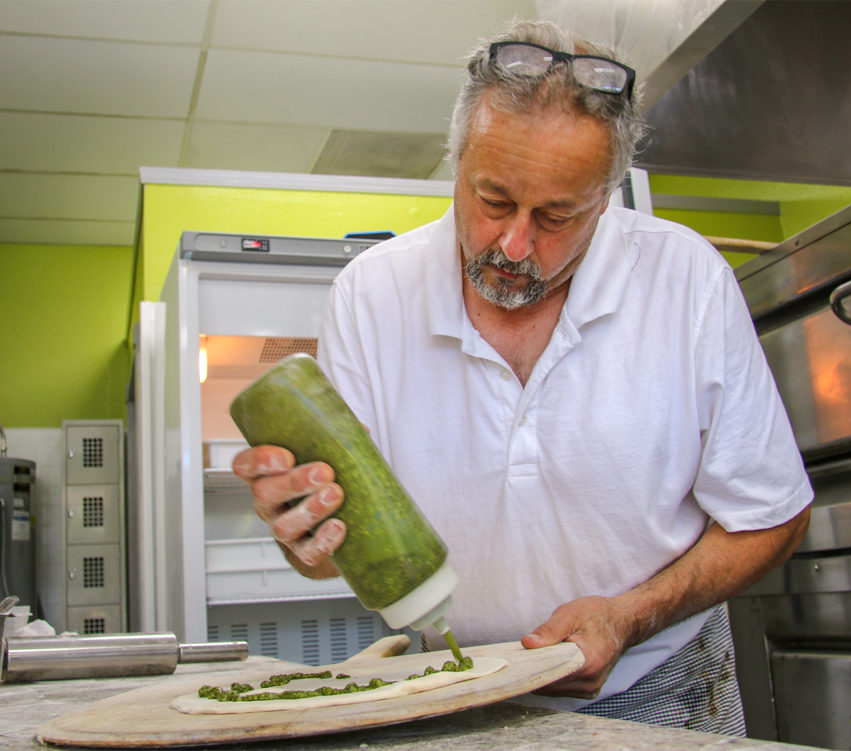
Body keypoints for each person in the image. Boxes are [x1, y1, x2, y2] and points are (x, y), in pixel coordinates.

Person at [233, 18, 812, 734]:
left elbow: (772, 515)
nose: (512, 244)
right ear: (458, 162)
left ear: (606, 199)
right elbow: (333, 555)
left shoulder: (687, 280)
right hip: (454, 691)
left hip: (663, 690)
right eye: (494, 200)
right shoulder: (372, 295)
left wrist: (630, 616)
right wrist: (308, 536)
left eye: (556, 215)